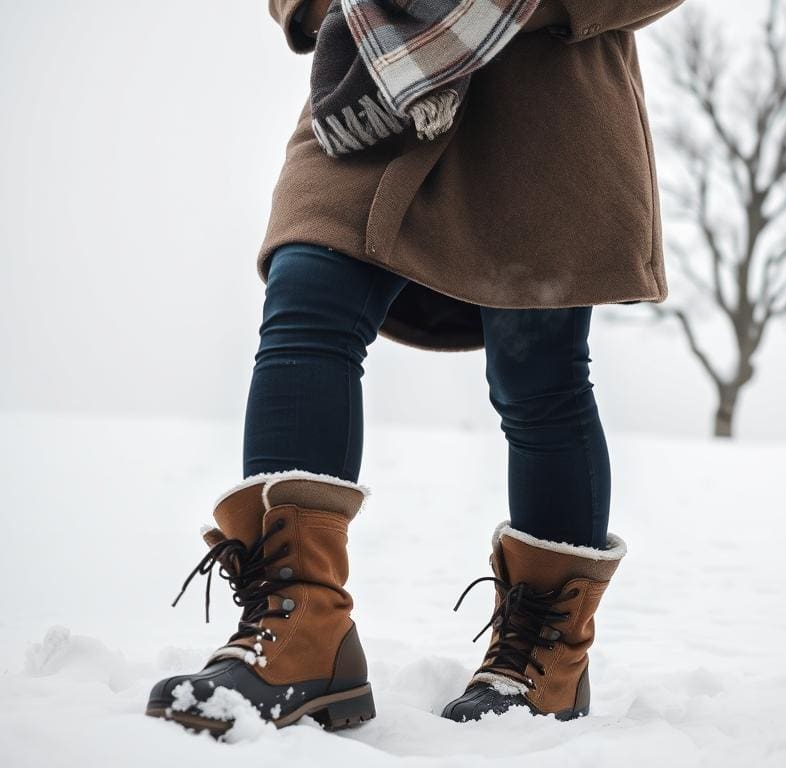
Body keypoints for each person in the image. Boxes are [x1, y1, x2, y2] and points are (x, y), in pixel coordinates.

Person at [145, 0, 685, 735]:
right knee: (307, 292)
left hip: (547, 101)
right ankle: (301, 627)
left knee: (538, 374)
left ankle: (544, 659)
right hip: (372, 83)